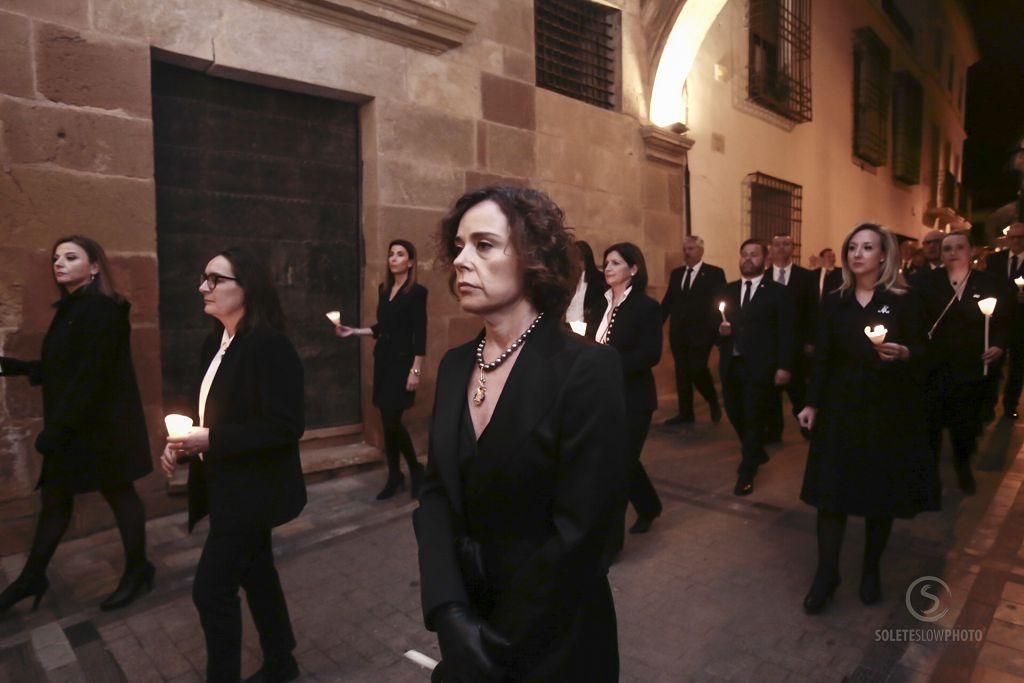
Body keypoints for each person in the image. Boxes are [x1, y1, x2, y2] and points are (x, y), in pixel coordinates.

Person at [414, 186, 626, 682]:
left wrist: (497, 641)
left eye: (484, 245)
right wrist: (449, 614)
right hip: (468, 622)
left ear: (533, 258)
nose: (461, 261)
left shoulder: (586, 369)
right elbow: (436, 494)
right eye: (459, 246)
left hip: (554, 637)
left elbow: (584, 531)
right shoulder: (453, 366)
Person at [161, 246, 306, 683]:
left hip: (252, 491)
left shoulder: (270, 346)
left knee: (211, 591)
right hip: (225, 486)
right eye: (204, 278)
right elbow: (207, 409)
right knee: (258, 575)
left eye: (215, 279)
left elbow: (285, 425)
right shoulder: (215, 342)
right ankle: (282, 662)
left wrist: (212, 439)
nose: (203, 287)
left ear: (247, 288)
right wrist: (182, 441)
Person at [0, 235, 153, 614]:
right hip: (78, 425)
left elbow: (91, 378)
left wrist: (56, 432)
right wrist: (16, 366)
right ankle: (32, 577)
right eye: (56, 258)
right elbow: (65, 368)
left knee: (118, 493)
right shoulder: (72, 308)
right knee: (55, 499)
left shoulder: (101, 309)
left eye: (71, 257)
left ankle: (138, 570)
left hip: (101, 428)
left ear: (95, 266)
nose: (59, 263)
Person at [798, 223, 940, 615]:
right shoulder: (834, 301)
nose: (858, 254)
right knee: (832, 496)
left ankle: (871, 571)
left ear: (883, 255)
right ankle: (826, 575)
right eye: (853, 247)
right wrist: (811, 403)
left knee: (879, 496)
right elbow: (822, 358)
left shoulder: (904, 300)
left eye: (867, 247)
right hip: (841, 409)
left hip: (886, 408)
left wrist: (906, 353)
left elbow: (925, 351)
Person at [334, 239, 427, 499]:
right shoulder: (384, 289)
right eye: (391, 254)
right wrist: (354, 331)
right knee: (387, 423)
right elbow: (382, 327)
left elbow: (420, 333)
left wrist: (415, 371)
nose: (394, 258)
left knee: (393, 421)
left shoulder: (417, 292)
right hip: (384, 361)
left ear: (410, 262)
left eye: (400, 254)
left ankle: (415, 469)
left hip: (403, 364)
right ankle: (395, 474)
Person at [922, 231, 1008, 494]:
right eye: (947, 248)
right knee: (931, 425)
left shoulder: (989, 282)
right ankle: (929, 478)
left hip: (971, 366)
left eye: (959, 247)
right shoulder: (927, 283)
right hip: (935, 366)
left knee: (965, 426)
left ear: (971, 251)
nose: (953, 253)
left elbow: (1004, 320)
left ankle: (963, 467)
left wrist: (998, 344)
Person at [592, 242, 664, 537]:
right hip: (603, 398)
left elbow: (650, 355)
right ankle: (649, 506)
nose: (607, 267)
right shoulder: (601, 304)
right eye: (606, 263)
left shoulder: (646, 307)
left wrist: (606, 362)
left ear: (633, 269)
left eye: (616, 263)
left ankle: (610, 542)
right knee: (622, 460)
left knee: (618, 466)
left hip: (634, 399)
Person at [717, 238, 795, 496]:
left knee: (752, 418)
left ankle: (746, 471)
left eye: (753, 255)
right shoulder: (727, 290)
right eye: (744, 255)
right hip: (732, 364)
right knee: (734, 411)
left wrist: (784, 366)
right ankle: (757, 451)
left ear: (765, 260)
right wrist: (721, 331)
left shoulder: (777, 292)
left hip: (761, 366)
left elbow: (787, 332)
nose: (748, 259)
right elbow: (715, 325)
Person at [660, 236, 726, 426]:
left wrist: (717, 331)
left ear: (700, 251)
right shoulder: (677, 274)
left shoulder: (714, 273)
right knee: (681, 373)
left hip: (702, 333)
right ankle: (685, 413)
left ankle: (712, 400)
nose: (686, 252)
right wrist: (656, 321)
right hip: (679, 333)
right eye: (685, 249)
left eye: (690, 249)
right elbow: (668, 301)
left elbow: (719, 302)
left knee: (697, 369)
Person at [767, 233, 817, 441]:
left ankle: (807, 427)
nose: (781, 248)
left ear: (792, 248)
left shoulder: (806, 277)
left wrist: (811, 340)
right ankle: (774, 431)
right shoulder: (764, 276)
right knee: (771, 394)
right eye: (777, 244)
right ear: (770, 249)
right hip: (771, 345)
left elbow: (814, 311)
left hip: (797, 344)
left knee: (797, 390)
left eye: (786, 244)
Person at [985, 221, 1024, 419]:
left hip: (1021, 324)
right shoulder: (994, 260)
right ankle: (989, 406)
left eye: (1021, 237)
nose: (1016, 241)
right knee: (993, 366)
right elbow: (986, 287)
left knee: (1018, 367)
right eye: (1013, 237)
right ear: (1007, 239)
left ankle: (1010, 406)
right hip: (997, 322)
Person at [564, 239, 606, 336]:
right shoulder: (567, 279)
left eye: (579, 258)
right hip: (566, 326)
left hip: (587, 329)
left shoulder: (599, 280)